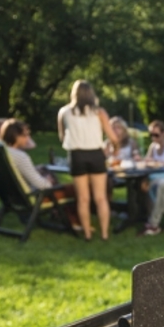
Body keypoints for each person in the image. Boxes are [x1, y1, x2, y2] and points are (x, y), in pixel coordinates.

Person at [57, 80, 118, 241]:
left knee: (83, 198)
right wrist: (115, 150)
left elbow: (62, 137)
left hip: (76, 155)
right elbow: (113, 137)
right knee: (101, 197)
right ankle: (104, 234)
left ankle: (87, 234)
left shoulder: (64, 112)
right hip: (96, 154)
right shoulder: (99, 112)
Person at [0, 119, 79, 228]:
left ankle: (62, 215)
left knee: (45, 171)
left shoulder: (2, 152)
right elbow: (43, 185)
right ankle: (72, 220)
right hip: (33, 197)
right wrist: (48, 181)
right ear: (16, 136)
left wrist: (36, 170)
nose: (28, 138)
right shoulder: (21, 157)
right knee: (77, 189)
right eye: (26, 135)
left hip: (12, 196)